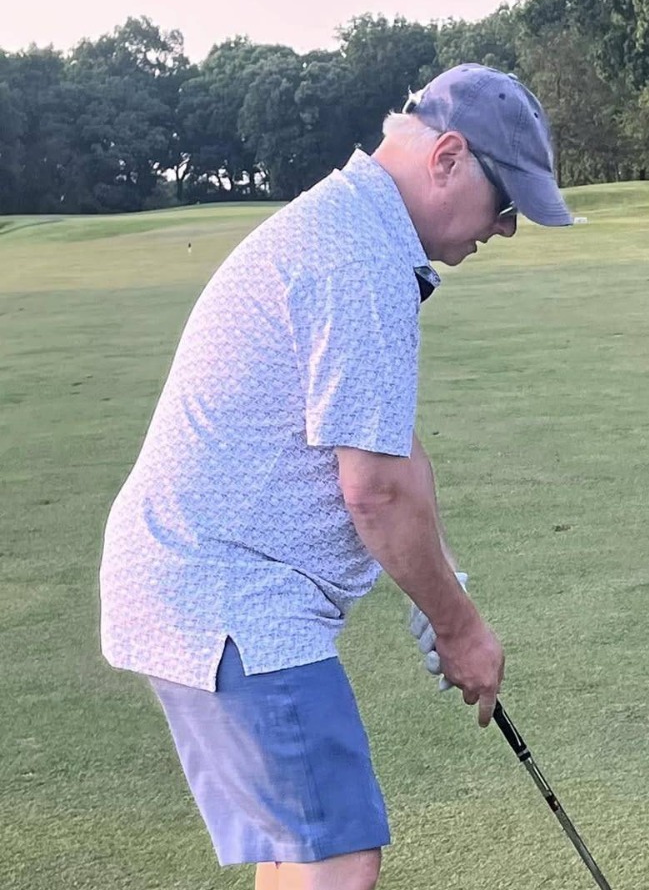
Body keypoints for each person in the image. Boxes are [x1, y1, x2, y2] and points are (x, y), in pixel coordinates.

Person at [99, 63, 573, 890]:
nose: (505, 229)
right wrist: (459, 629)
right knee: (337, 853)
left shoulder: (357, 229)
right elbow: (374, 490)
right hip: (231, 597)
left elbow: (391, 446)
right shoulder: (357, 258)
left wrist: (444, 579)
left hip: (204, 585)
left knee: (304, 848)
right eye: (506, 204)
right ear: (448, 158)